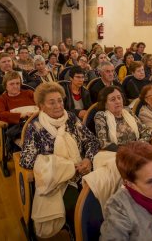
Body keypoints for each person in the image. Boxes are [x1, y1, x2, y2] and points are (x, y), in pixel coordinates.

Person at [20, 82, 100, 237]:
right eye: (52, 102)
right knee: (80, 209)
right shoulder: (35, 127)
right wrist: (63, 166)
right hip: (59, 182)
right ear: (41, 106)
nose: (58, 105)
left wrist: (88, 160)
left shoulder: (70, 118)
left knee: (104, 199)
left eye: (60, 100)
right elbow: (26, 161)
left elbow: (92, 141)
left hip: (83, 170)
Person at [94, 86, 151, 151]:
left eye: (119, 98)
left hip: (137, 149)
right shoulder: (101, 116)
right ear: (105, 103)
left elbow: (145, 131)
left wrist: (138, 145)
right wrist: (126, 150)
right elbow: (103, 143)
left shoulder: (127, 111)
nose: (117, 101)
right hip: (117, 153)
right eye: (113, 99)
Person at [0, 71, 37, 153]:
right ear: (5, 85)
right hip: (18, 127)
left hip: (36, 121)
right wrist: (21, 115)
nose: (15, 86)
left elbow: (42, 105)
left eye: (18, 83)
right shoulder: (2, 99)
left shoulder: (29, 93)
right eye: (12, 84)